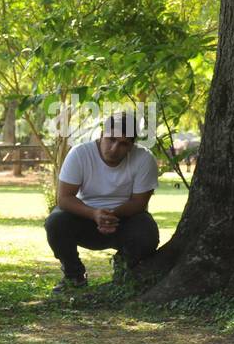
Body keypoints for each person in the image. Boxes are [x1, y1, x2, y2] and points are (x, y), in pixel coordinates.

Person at [45, 111, 160, 291]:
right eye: (111, 139)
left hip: (125, 219)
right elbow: (64, 198)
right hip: (85, 217)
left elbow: (139, 203)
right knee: (56, 222)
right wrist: (94, 214)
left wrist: (111, 215)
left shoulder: (144, 158)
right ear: (101, 135)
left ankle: (124, 270)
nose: (114, 149)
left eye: (123, 144)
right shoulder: (79, 154)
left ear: (131, 146)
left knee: (147, 231)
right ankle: (73, 276)